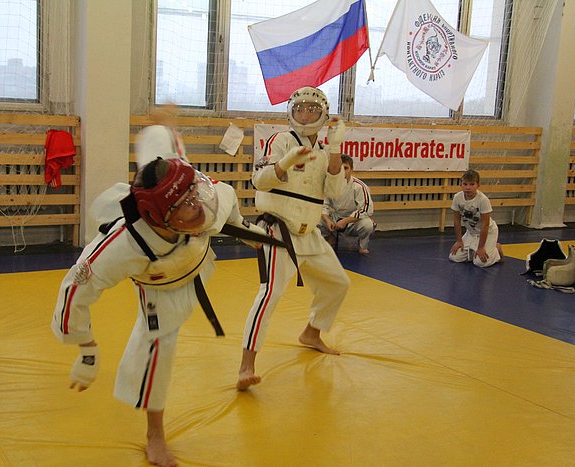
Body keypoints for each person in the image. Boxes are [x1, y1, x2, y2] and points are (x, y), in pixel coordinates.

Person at [51, 156, 273, 467]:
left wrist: (242, 228)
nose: (196, 206)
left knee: (206, 210)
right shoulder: (121, 245)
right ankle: (155, 434)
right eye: (184, 205)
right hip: (158, 285)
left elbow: (226, 197)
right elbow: (74, 291)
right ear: (158, 216)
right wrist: (86, 349)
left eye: (194, 194)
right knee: (159, 346)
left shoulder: (202, 201)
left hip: (196, 262)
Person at [237, 86, 351, 391]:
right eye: (299, 108)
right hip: (279, 231)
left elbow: (337, 192)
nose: (305, 113)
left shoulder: (326, 153)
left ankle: (311, 333)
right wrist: (285, 162)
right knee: (270, 293)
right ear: (290, 112)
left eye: (312, 110)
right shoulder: (281, 140)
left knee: (338, 283)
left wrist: (336, 149)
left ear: (323, 116)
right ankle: (246, 366)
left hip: (309, 233)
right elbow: (259, 180)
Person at [318, 154, 375, 255]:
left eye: (346, 168)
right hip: (335, 219)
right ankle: (330, 237)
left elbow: (365, 209)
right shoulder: (329, 185)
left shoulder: (359, 186)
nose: (343, 171)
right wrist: (328, 220)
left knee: (367, 225)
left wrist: (345, 221)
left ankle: (362, 245)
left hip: (353, 221)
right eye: (340, 168)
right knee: (316, 220)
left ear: (352, 169)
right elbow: (323, 205)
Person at [448, 168, 503, 267]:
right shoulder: (457, 197)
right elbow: (456, 220)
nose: (468, 188)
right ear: (461, 185)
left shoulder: (483, 200)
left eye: (472, 184)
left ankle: (496, 250)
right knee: (454, 257)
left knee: (480, 263)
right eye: (465, 184)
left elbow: (485, 225)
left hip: (488, 232)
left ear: (478, 185)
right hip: (471, 232)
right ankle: (474, 250)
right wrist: (459, 240)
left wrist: (481, 247)